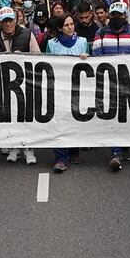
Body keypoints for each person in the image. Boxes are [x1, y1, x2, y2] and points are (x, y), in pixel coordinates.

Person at [91, 2, 130, 170]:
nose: (117, 18)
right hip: (109, 82)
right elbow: (96, 55)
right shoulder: (100, 33)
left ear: (126, 16)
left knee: (127, 116)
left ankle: (124, 146)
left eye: (120, 15)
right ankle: (115, 153)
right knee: (114, 117)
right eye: (114, 15)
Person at [45, 14, 89, 172]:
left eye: (72, 24)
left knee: (76, 120)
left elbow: (91, 64)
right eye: (66, 25)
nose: (70, 27)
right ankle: (60, 157)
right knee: (58, 123)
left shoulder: (83, 42)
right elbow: (47, 65)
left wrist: (86, 58)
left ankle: (73, 150)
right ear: (59, 28)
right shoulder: (51, 44)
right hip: (58, 89)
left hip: (77, 89)